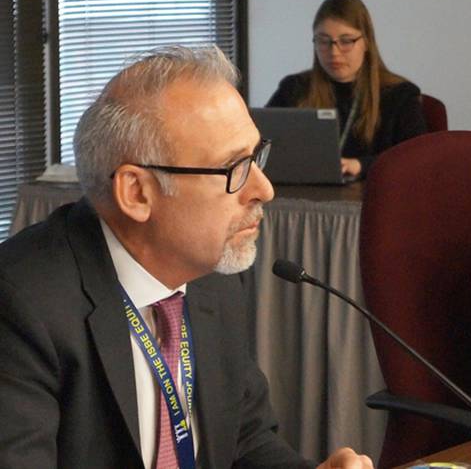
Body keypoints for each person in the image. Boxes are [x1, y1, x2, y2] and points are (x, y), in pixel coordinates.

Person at [0, 46, 372, 469]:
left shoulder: (212, 278)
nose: (264, 189)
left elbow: (246, 444)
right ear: (137, 193)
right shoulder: (22, 306)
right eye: (234, 168)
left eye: (257, 156)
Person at [266, 0, 427, 178]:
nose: (334, 52)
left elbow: (416, 158)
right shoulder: (294, 88)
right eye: (323, 41)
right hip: (305, 197)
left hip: (374, 197)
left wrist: (361, 166)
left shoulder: (400, 95)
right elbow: (259, 144)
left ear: (366, 42)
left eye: (346, 41)